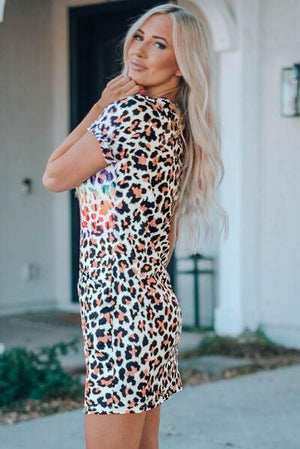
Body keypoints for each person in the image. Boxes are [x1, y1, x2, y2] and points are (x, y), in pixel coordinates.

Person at [42, 3, 228, 449]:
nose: (140, 51)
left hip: (120, 313)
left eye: (159, 44)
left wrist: (102, 104)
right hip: (145, 308)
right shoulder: (170, 119)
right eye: (140, 36)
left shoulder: (132, 115)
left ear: (182, 64)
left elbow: (53, 174)